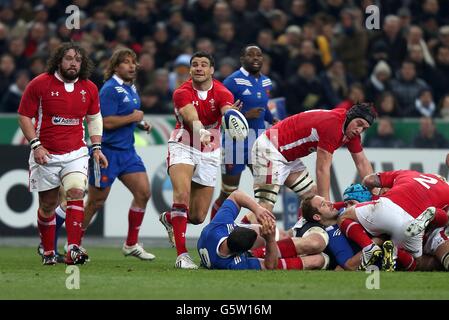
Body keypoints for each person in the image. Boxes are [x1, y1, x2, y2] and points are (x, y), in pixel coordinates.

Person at [17, 42, 108, 265]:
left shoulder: (89, 88)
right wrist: (36, 145)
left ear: (82, 64)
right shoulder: (40, 84)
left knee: (76, 192)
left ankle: (73, 249)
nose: (73, 63)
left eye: (77, 60)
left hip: (76, 153)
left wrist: (96, 147)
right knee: (47, 206)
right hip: (46, 154)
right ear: (59, 60)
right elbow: (24, 116)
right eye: (68, 58)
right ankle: (48, 252)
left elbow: (94, 118)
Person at [159, 51, 241, 269]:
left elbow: (225, 111)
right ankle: (182, 256)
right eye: (195, 64)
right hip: (183, 143)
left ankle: (170, 218)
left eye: (203, 65)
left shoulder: (223, 91)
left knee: (197, 216)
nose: (198, 68)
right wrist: (201, 131)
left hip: (210, 149)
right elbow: (191, 116)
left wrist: (231, 116)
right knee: (182, 196)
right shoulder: (181, 92)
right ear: (190, 69)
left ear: (212, 70)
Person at [81, 48, 155, 261]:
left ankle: (131, 244)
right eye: (126, 62)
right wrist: (133, 117)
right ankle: (74, 244)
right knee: (96, 202)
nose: (132, 66)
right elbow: (104, 121)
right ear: (115, 66)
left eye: (134, 62)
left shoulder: (130, 88)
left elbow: (128, 115)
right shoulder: (109, 89)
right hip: (106, 152)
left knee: (143, 193)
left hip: (127, 152)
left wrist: (140, 123)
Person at [247, 102, 376, 220]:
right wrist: (326, 208)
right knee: (265, 208)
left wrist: (376, 192)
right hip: (269, 149)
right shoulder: (333, 126)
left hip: (284, 153)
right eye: (359, 124)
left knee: (313, 196)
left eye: (364, 128)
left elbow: (362, 162)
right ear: (350, 116)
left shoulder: (350, 129)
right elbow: (322, 169)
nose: (359, 130)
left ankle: (300, 231)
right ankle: (235, 235)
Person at [210, 45, 277, 221]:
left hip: (259, 143)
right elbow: (221, 112)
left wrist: (273, 119)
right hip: (235, 144)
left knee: (266, 190)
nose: (255, 58)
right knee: (228, 193)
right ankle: (214, 229)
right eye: (250, 55)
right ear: (242, 59)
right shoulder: (232, 82)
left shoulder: (266, 82)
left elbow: (265, 106)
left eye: (259, 55)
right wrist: (246, 115)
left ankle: (255, 231)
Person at [337, 170, 449, 270]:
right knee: (417, 262)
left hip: (387, 207)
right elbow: (445, 220)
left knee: (344, 216)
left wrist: (368, 194)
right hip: (414, 222)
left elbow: (369, 180)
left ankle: (369, 247)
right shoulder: (446, 189)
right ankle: (396, 252)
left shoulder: (409, 174)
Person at [197, 190, 326, 270]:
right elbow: (270, 266)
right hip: (257, 257)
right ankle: (269, 249)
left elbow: (236, 195)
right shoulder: (234, 264)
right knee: (318, 260)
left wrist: (257, 209)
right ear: (243, 252)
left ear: (231, 231)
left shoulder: (217, 228)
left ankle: (289, 242)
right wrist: (269, 240)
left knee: (281, 235)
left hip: (224, 247)